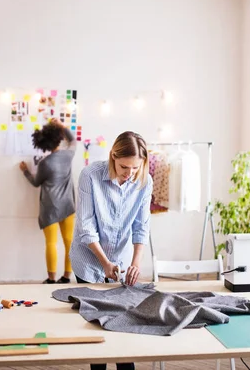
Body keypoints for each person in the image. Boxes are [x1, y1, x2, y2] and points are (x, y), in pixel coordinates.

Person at [69, 131, 152, 370]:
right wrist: (105, 263)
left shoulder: (144, 181)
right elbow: (86, 226)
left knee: (124, 321)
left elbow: (141, 227)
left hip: (123, 260)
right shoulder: (90, 176)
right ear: (113, 157)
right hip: (89, 259)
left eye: (136, 167)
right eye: (125, 166)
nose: (130, 174)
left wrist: (136, 263)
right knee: (97, 322)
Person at [20, 119, 76, 284]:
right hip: (68, 206)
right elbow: (72, 140)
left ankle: (51, 279)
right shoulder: (68, 155)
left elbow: (36, 182)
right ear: (58, 138)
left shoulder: (45, 163)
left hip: (50, 208)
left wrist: (25, 171)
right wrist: (61, 126)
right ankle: (66, 276)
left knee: (51, 243)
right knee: (69, 242)